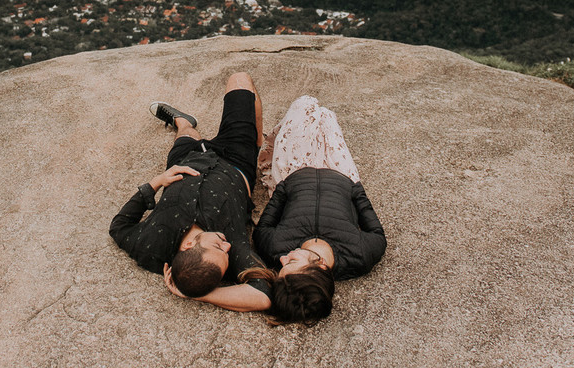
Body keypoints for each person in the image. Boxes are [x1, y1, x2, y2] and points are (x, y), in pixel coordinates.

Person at [164, 94, 386, 324]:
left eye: (282, 268)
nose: (282, 260)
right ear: (320, 266)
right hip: (340, 173)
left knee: (304, 103)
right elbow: (375, 229)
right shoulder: (361, 254)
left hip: (293, 168)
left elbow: (268, 218)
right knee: (325, 117)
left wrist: (285, 185)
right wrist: (354, 186)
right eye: (291, 263)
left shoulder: (275, 246)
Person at [109, 72, 266, 299]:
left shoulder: (151, 246)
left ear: (189, 245)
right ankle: (256, 140)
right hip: (237, 159)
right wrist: (199, 294)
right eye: (226, 254)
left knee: (187, 133)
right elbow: (263, 293)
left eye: (218, 248)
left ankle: (182, 121)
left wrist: (156, 182)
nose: (228, 248)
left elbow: (119, 226)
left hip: (185, 160)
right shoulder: (233, 249)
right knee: (240, 80)